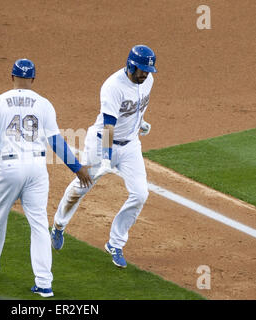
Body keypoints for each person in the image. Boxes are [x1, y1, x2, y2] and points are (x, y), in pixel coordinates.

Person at [0, 58, 92, 297]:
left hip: (9, 168)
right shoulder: (44, 104)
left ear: (11, 77)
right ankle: (44, 283)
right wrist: (77, 168)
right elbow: (56, 142)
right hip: (38, 169)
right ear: (34, 79)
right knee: (39, 225)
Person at [51, 45, 157, 268]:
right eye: (142, 70)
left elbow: (137, 106)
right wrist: (107, 159)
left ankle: (115, 243)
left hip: (130, 146)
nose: (146, 74)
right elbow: (109, 125)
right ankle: (59, 226)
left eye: (148, 70)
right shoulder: (112, 86)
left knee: (140, 194)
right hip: (101, 144)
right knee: (82, 185)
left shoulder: (147, 81)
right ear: (131, 65)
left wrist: (141, 122)